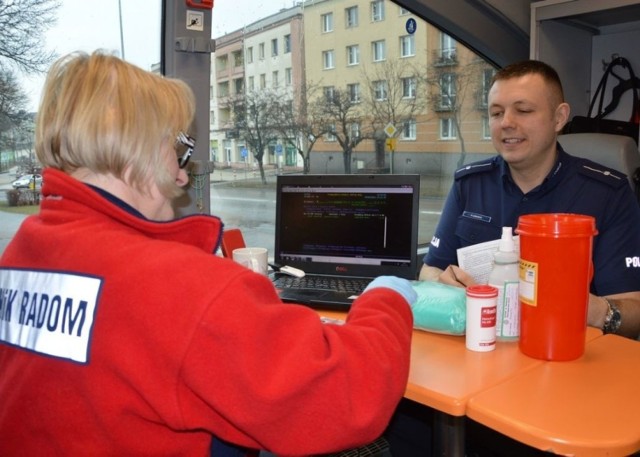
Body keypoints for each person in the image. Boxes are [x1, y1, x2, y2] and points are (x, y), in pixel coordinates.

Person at [0, 51, 417, 456]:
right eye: (177, 150)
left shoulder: (23, 253)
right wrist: (387, 300)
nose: (182, 175)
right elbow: (348, 397)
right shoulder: (174, 286)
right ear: (137, 147)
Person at [419, 59, 640, 340]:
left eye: (523, 111)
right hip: (480, 347)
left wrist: (591, 310)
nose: (507, 123)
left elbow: (634, 312)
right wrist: (444, 283)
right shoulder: (469, 184)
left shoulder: (608, 193)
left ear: (559, 118)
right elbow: (430, 270)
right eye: (496, 113)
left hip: (564, 353)